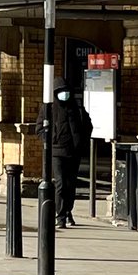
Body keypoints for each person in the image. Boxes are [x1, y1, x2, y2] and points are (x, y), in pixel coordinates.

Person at [36, 76, 92, 228]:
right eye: (60, 91)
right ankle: (60, 216)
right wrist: (49, 140)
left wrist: (82, 141)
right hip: (57, 151)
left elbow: (87, 125)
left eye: (66, 90)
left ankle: (67, 211)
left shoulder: (76, 107)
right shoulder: (48, 108)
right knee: (60, 183)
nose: (64, 93)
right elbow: (39, 128)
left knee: (71, 184)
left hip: (74, 152)